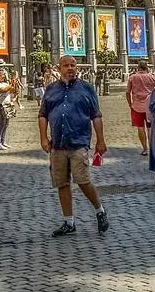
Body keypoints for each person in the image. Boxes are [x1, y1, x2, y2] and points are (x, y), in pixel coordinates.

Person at [39, 55, 108, 237]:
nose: (70, 68)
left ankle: (100, 210)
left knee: (83, 180)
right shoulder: (51, 89)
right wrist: (43, 138)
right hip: (58, 143)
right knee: (62, 183)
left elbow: (96, 115)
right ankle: (68, 221)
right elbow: (43, 114)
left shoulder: (86, 88)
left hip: (79, 142)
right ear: (59, 68)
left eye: (72, 65)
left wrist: (100, 140)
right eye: (66, 65)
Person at [125, 59, 155, 156]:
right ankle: (152, 148)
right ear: (147, 67)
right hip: (150, 106)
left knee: (140, 127)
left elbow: (128, 92)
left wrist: (130, 103)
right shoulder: (153, 78)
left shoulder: (132, 78)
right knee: (150, 127)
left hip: (136, 106)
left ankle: (145, 149)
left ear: (138, 67)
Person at [0, 69, 14, 150]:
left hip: (7, 105)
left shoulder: (5, 83)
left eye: (4, 74)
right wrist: (11, 85)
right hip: (0, 106)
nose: (3, 76)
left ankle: (3, 142)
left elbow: (12, 91)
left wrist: (14, 83)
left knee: (6, 124)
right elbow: (4, 90)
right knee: (1, 124)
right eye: (2, 74)